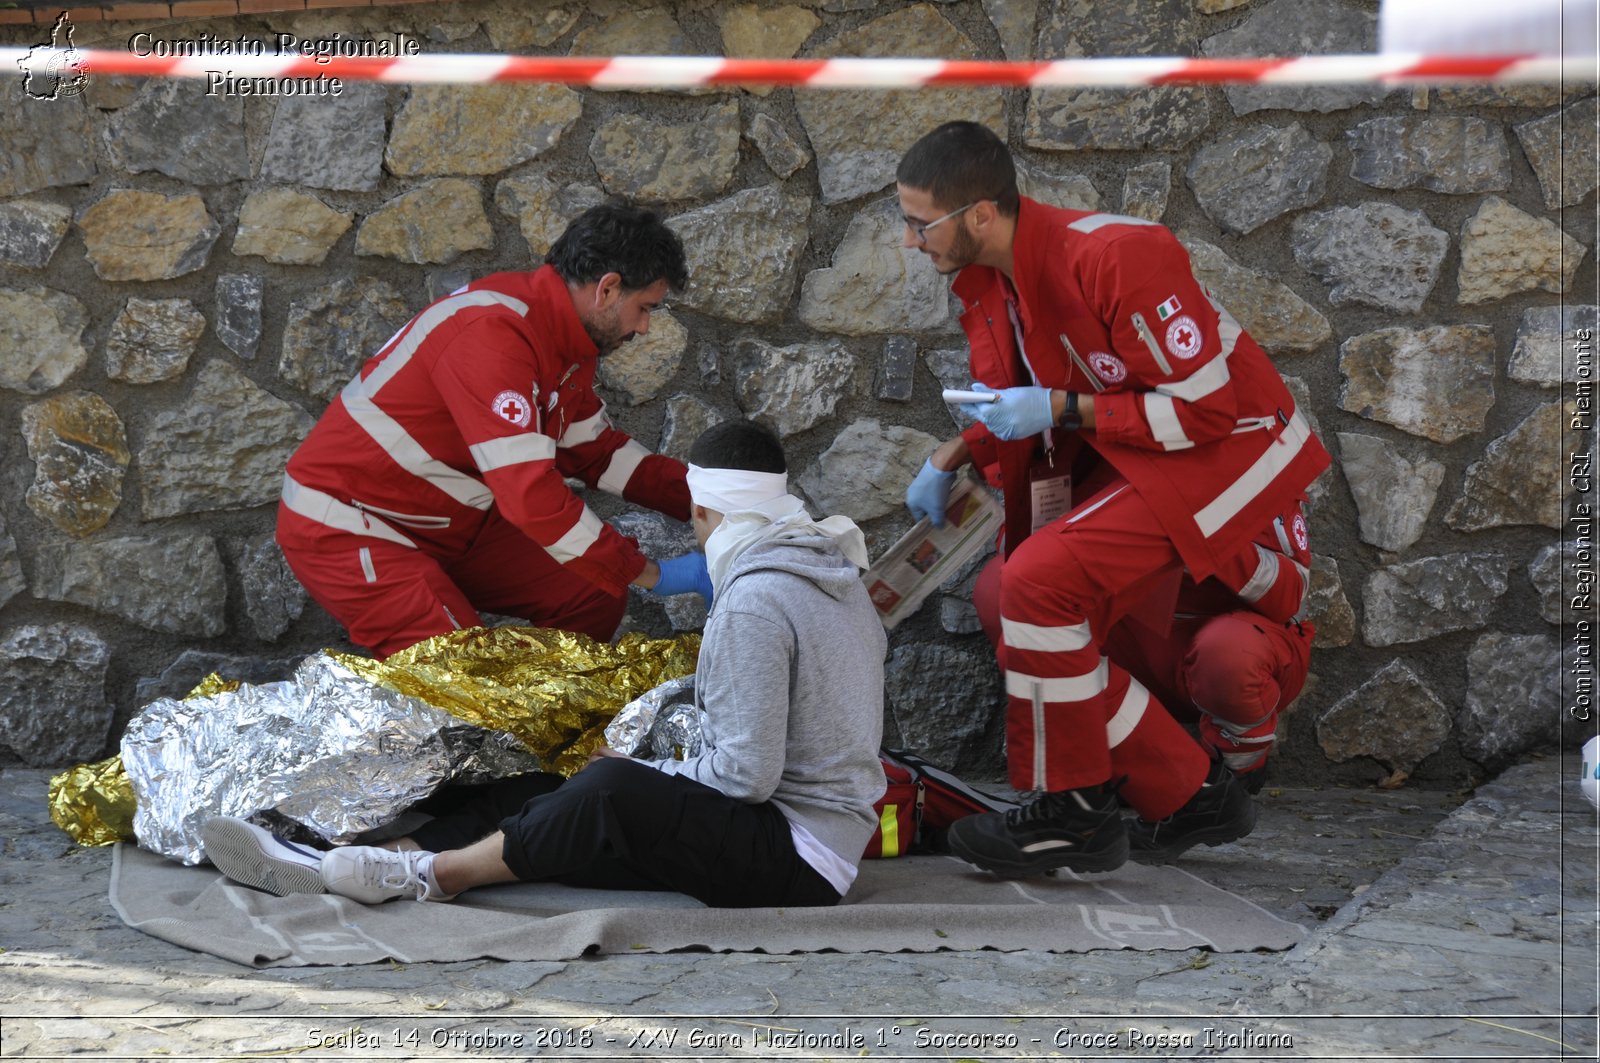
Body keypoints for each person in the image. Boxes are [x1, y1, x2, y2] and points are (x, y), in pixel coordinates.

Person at [203, 420, 889, 909]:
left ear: (706, 509)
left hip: (796, 856)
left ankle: (429, 875)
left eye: (696, 522)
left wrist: (643, 773)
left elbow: (745, 776)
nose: (697, 536)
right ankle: (354, 858)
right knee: (553, 787)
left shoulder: (756, 598)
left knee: (607, 790)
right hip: (804, 841)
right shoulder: (834, 571)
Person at [897, 121, 1330, 877]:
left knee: (1037, 582)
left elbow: (1207, 412)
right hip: (1141, 449)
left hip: (1232, 450)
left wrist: (1059, 410)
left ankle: (1077, 812)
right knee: (1006, 591)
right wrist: (958, 451)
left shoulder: (1117, 253)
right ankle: (1191, 789)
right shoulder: (987, 284)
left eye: (918, 222)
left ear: (980, 216)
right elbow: (1020, 409)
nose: (908, 240)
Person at [276, 202, 712, 659]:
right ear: (608, 289)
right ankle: (509, 719)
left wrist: (718, 501)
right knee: (464, 675)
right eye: (645, 309)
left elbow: (597, 454)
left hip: (448, 520)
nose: (643, 328)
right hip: (353, 524)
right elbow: (530, 497)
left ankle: (541, 716)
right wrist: (652, 575)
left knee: (591, 591)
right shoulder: (493, 332)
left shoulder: (564, 339)